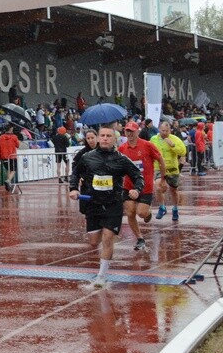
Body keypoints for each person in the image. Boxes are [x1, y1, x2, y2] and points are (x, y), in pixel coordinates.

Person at [69, 124, 144, 286]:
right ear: (97, 138)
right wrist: (73, 189)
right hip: (92, 204)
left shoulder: (121, 159)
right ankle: (102, 240)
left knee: (108, 238)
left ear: (114, 139)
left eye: (108, 136)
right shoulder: (87, 157)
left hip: (113, 204)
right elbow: (75, 173)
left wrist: (136, 190)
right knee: (94, 241)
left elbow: (138, 176)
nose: (104, 138)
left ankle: (102, 276)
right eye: (102, 135)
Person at [117, 122, 166, 252]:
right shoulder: (122, 149)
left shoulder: (148, 145)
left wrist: (163, 179)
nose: (129, 134)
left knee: (141, 213)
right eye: (127, 131)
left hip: (145, 186)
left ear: (138, 132)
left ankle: (148, 213)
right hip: (128, 186)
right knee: (130, 212)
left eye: (132, 131)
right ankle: (140, 238)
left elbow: (161, 160)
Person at [151, 120, 188, 222]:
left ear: (170, 130)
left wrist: (173, 146)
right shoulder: (153, 139)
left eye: (166, 131)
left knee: (173, 190)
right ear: (159, 130)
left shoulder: (175, 139)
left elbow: (183, 151)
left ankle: (175, 208)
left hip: (172, 168)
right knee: (158, 186)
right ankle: (162, 207)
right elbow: (150, 151)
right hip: (158, 168)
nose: (164, 133)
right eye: (162, 130)